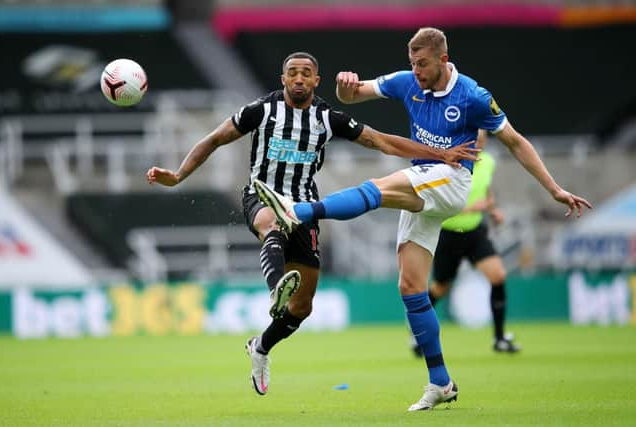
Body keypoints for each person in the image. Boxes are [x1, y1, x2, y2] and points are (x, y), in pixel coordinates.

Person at [253, 28, 592, 411]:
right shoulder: (404, 82)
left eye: (423, 64)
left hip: (451, 180)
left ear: (443, 61)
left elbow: (515, 141)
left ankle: (298, 210)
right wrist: (346, 86)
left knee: (379, 187)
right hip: (424, 183)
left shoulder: (473, 96)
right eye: (412, 63)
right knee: (411, 286)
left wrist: (554, 189)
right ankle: (441, 382)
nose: (416, 71)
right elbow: (354, 95)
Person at [146, 51, 478, 397]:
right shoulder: (260, 111)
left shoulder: (327, 117)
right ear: (283, 79)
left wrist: (440, 154)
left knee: (302, 307)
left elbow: (381, 141)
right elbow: (214, 138)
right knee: (271, 223)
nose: (300, 79)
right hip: (262, 195)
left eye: (307, 73)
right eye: (293, 73)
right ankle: (277, 288)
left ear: (317, 80)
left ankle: (260, 347)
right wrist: (179, 175)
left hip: (304, 205)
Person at [411, 129, 520, 359]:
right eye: (474, 140)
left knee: (498, 275)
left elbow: (486, 194)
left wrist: (493, 210)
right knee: (440, 287)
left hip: (475, 232)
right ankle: (419, 334)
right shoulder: (451, 165)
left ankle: (499, 338)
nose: (478, 144)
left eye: (482, 140)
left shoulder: (488, 162)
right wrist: (472, 208)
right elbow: (439, 202)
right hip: (449, 232)